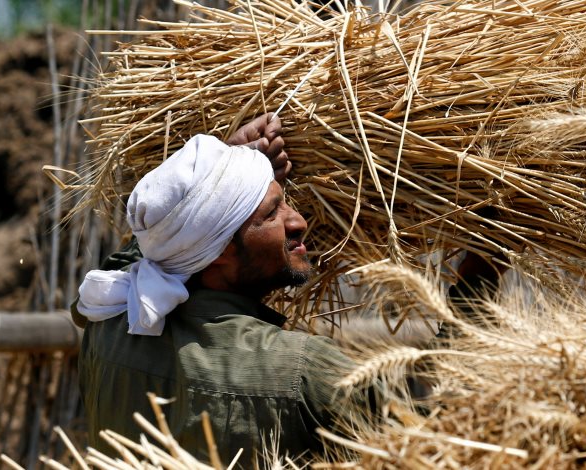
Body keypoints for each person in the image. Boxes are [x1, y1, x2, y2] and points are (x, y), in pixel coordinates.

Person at [71, 114, 501, 465]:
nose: (298, 222)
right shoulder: (302, 373)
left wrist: (226, 166)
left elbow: (151, 249)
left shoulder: (109, 320)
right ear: (218, 251)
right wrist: (481, 278)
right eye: (272, 212)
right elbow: (434, 430)